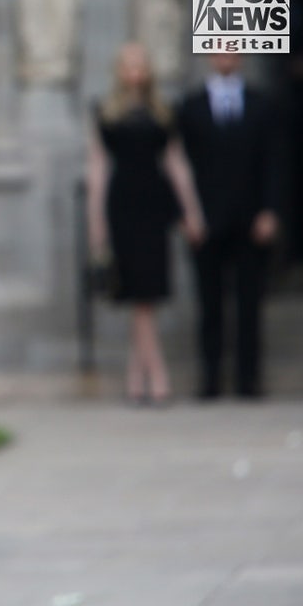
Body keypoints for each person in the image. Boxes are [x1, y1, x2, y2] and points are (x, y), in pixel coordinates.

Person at [86, 43, 205, 405]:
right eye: (129, 66)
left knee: (147, 296)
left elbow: (177, 165)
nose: (135, 73)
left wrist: (191, 211)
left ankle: (137, 377)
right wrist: (96, 223)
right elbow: (97, 169)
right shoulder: (105, 113)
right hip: (123, 208)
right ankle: (157, 377)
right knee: (139, 297)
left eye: (141, 65)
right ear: (120, 70)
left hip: (155, 208)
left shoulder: (163, 113)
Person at [177, 52, 284, 399]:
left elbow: (274, 161)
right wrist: (187, 214)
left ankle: (248, 379)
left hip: (249, 218)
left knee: (250, 303)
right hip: (205, 220)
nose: (226, 54)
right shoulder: (190, 108)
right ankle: (210, 378)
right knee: (209, 304)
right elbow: (181, 167)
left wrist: (270, 209)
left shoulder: (261, 105)